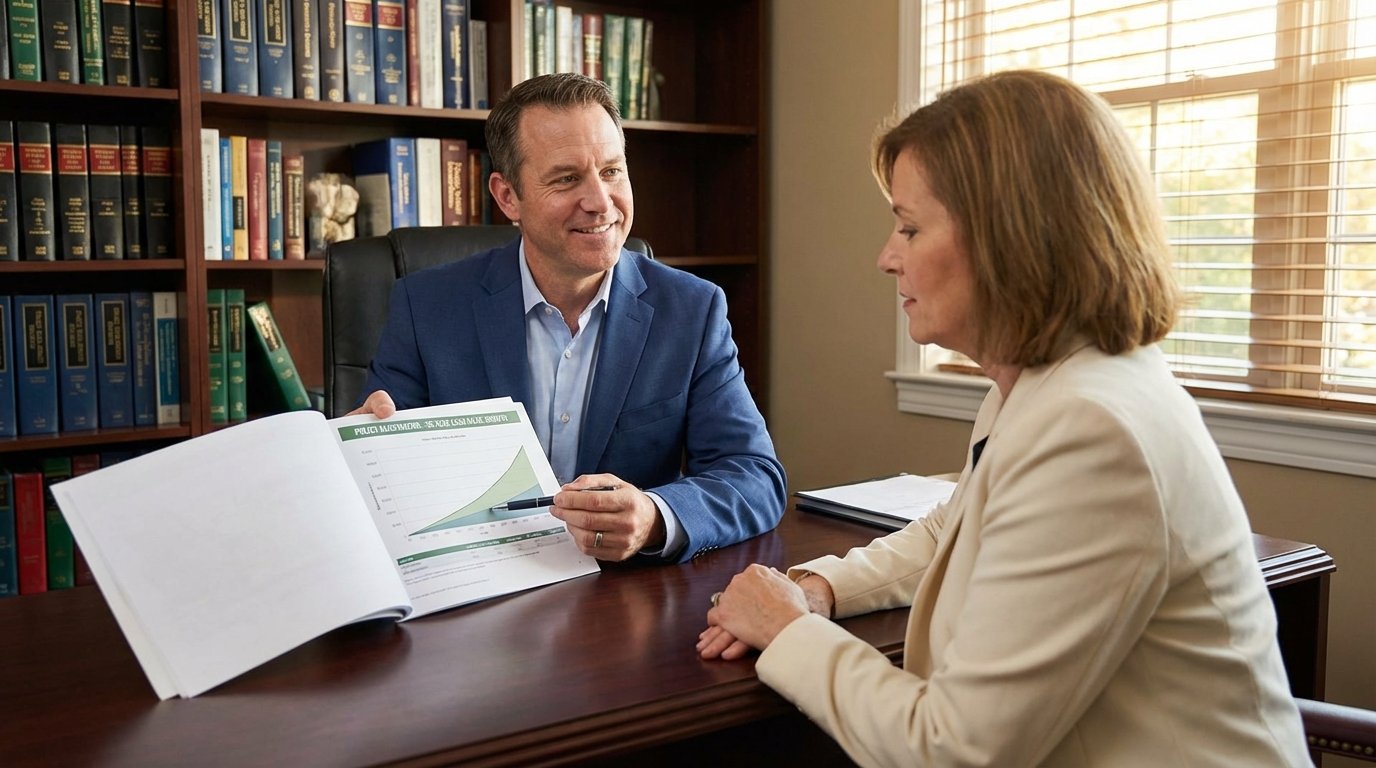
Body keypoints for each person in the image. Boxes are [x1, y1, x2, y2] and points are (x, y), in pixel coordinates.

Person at [698, 70, 1309, 766]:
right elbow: (949, 531)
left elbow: (952, 751)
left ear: (1008, 237)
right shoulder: (1042, 383)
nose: (886, 257)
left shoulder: (1092, 429)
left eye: (908, 227)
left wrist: (787, 631)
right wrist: (818, 588)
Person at [353, 73, 786, 564]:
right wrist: (357, 452)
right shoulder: (425, 306)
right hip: (475, 591)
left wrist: (655, 514)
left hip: (621, 598)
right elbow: (379, 479)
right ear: (507, 197)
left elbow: (754, 475)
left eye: (611, 172)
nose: (600, 203)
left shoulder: (691, 310)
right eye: (566, 178)